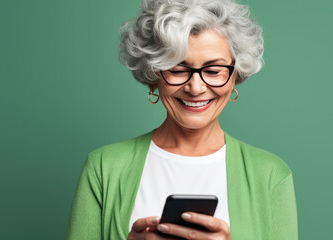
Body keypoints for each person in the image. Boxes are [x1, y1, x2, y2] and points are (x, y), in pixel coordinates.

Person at [66, 0, 298, 239]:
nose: (196, 88)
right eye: (177, 70)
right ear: (153, 75)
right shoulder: (104, 167)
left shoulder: (270, 175)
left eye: (213, 70)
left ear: (234, 76)